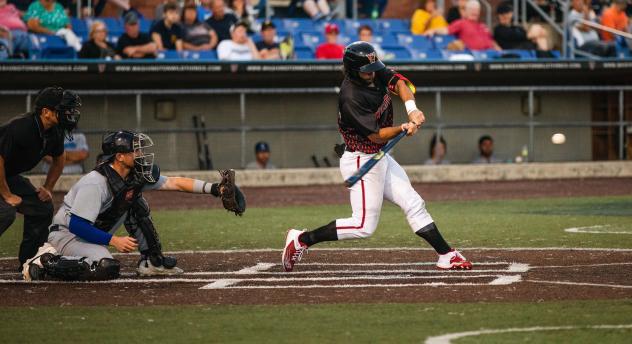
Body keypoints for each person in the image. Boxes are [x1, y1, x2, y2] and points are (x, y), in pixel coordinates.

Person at [281, 42, 473, 272]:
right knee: (363, 226)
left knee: (413, 203)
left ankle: (446, 255)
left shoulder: (373, 70)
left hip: (378, 157)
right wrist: (403, 127)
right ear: (354, 70)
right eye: (367, 70)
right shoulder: (350, 96)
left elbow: (400, 83)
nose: (372, 73)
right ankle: (301, 239)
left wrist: (412, 109)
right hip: (362, 158)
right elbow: (376, 136)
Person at [23, 130, 246, 281]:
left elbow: (175, 182)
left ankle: (152, 261)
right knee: (106, 267)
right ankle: (45, 263)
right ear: (119, 157)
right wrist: (114, 240)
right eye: (135, 150)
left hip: (92, 231)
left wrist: (216, 189)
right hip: (67, 237)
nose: (140, 154)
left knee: (136, 202)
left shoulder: (133, 175)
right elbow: (77, 226)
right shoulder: (95, 183)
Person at [0, 86, 81, 268]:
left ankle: (30, 262)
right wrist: (6, 195)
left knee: (42, 207)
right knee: (5, 212)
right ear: (46, 112)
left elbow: (59, 161)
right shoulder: (21, 128)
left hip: (8, 176)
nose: (69, 113)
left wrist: (48, 188)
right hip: (2, 175)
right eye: (63, 109)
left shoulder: (55, 131)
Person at [427, 0, 501, 51]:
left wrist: (500, 51)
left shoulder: (483, 26)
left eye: (476, 10)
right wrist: (433, 30)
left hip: (490, 55)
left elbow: (492, 42)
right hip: (473, 56)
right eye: (471, 9)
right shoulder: (461, 23)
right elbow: (446, 30)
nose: (474, 12)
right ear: (466, 11)